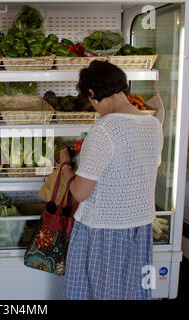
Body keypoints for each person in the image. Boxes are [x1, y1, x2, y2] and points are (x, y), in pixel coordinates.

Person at [59, 60, 163, 300]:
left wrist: (65, 165)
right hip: (140, 229)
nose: (95, 107)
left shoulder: (105, 129)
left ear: (93, 94)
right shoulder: (153, 124)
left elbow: (80, 192)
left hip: (103, 231)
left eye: (90, 100)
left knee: (96, 294)